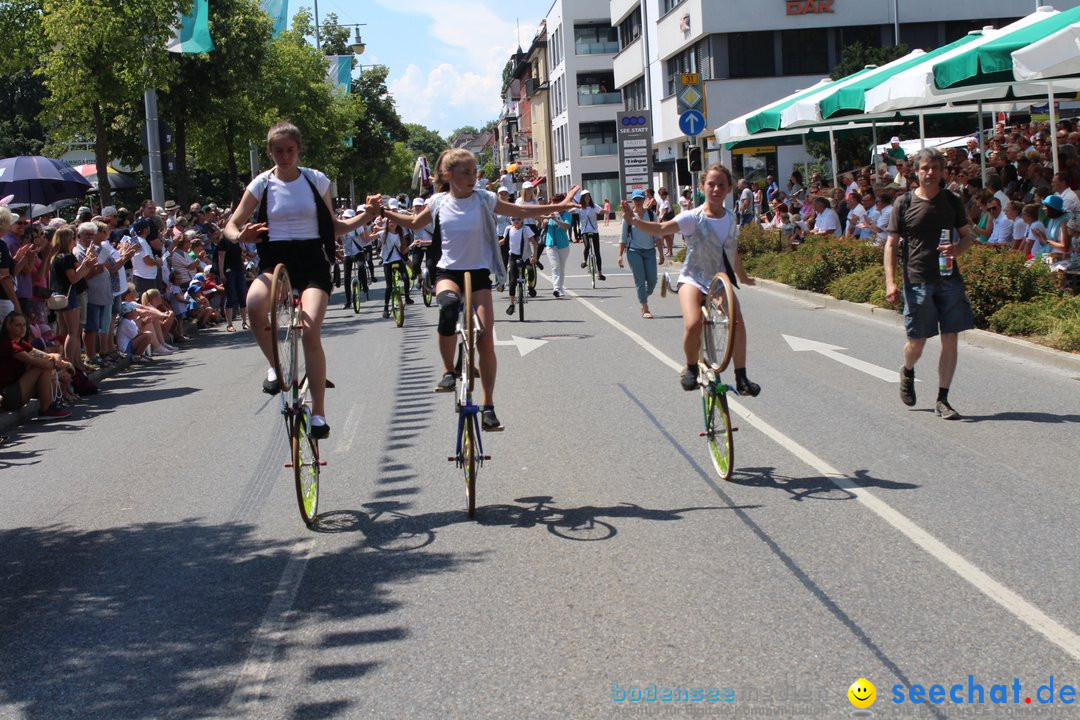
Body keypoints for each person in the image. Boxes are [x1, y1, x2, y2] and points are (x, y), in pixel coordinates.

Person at [378, 147, 579, 431]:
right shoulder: (437, 202)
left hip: (479, 274)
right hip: (448, 272)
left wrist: (556, 207)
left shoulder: (484, 199)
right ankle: (448, 371)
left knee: (485, 339)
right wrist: (382, 212)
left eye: (474, 172)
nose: (473, 177)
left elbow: (520, 210)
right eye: (466, 172)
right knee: (448, 310)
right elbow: (413, 222)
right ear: (449, 176)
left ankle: (488, 406)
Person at [223, 120, 371, 440]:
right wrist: (240, 235)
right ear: (269, 152)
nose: (284, 156)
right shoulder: (261, 184)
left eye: (290, 150)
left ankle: (318, 412)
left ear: (299, 150)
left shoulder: (315, 180)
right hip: (273, 261)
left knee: (309, 330)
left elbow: (335, 227)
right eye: (278, 151)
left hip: (313, 264)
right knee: (253, 303)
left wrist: (365, 217)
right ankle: (275, 366)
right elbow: (231, 226)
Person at [621, 166, 760, 396]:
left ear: (728, 189)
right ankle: (691, 368)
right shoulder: (692, 217)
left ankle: (741, 376)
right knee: (693, 322)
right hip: (693, 279)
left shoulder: (732, 217)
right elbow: (661, 228)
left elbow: (732, 251)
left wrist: (743, 277)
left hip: (719, 281)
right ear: (702, 187)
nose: (716, 189)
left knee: (737, 322)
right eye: (711, 184)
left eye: (721, 185)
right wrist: (634, 221)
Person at [884, 147, 975, 420]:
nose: (930, 173)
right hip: (917, 279)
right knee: (917, 342)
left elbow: (967, 237)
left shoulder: (952, 200)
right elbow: (891, 244)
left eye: (934, 168)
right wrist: (890, 282)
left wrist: (958, 250)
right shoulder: (904, 203)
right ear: (916, 172)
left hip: (949, 279)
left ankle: (943, 399)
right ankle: (908, 370)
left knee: (950, 338)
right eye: (924, 168)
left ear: (942, 171)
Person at [0, 311, 71, 419]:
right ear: (8, 326)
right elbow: (37, 361)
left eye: (24, 325)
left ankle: (50, 406)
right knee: (42, 368)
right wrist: (61, 364)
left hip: (20, 390)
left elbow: (45, 355)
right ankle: (46, 409)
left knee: (46, 367)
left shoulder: (21, 343)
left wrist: (56, 357)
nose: (22, 328)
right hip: (9, 396)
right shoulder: (9, 345)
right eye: (18, 325)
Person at [618, 189, 662, 319]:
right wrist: (620, 255)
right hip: (634, 251)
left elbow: (657, 235)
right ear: (632, 200)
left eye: (640, 199)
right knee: (640, 280)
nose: (637, 202)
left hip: (649, 251)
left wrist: (661, 253)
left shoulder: (651, 214)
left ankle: (642, 296)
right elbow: (623, 237)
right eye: (635, 199)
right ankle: (645, 307)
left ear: (644, 200)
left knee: (653, 281)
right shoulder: (628, 216)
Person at [216, 225, 248, 332]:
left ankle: (244, 322)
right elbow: (221, 259)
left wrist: (244, 259)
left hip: (239, 270)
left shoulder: (237, 241)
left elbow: (239, 254)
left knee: (242, 295)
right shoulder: (223, 242)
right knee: (231, 296)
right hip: (229, 271)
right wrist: (221, 274)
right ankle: (229, 324)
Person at [503, 217, 537, 315]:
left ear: (522, 220)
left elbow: (534, 243)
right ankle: (511, 304)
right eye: (513, 219)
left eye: (518, 219)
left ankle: (530, 287)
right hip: (513, 257)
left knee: (530, 272)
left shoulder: (526, 229)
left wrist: (534, 256)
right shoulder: (508, 229)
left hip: (525, 256)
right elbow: (504, 241)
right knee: (512, 281)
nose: (516, 221)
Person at [380, 217, 413, 318]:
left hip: (398, 260)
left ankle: (407, 297)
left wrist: (412, 245)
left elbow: (403, 251)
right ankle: (386, 308)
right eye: (390, 221)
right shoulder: (383, 234)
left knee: (406, 278)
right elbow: (367, 239)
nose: (392, 223)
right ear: (386, 224)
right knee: (389, 286)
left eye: (394, 221)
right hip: (387, 262)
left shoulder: (400, 234)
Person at [576, 190, 605, 281]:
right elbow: (572, 211)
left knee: (597, 252)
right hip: (584, 230)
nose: (587, 198)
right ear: (582, 198)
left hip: (594, 230)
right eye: (585, 196)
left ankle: (599, 273)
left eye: (589, 196)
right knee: (587, 245)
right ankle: (585, 260)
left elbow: (601, 211)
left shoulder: (594, 206)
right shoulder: (580, 207)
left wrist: (605, 211)